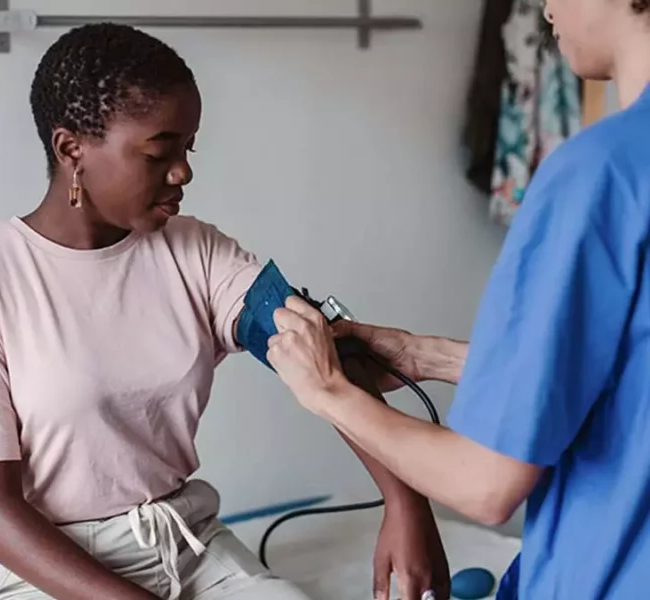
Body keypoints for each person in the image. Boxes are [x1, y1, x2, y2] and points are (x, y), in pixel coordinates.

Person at [0, 22, 450, 600]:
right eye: (159, 152)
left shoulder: (196, 250)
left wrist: (406, 503)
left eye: (187, 148)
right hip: (45, 569)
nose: (183, 172)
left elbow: (323, 358)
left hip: (185, 545)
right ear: (71, 148)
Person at [265, 1, 650, 598]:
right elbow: (628, 377)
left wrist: (329, 392)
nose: (546, 6)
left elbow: (486, 485)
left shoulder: (598, 175)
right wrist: (428, 357)